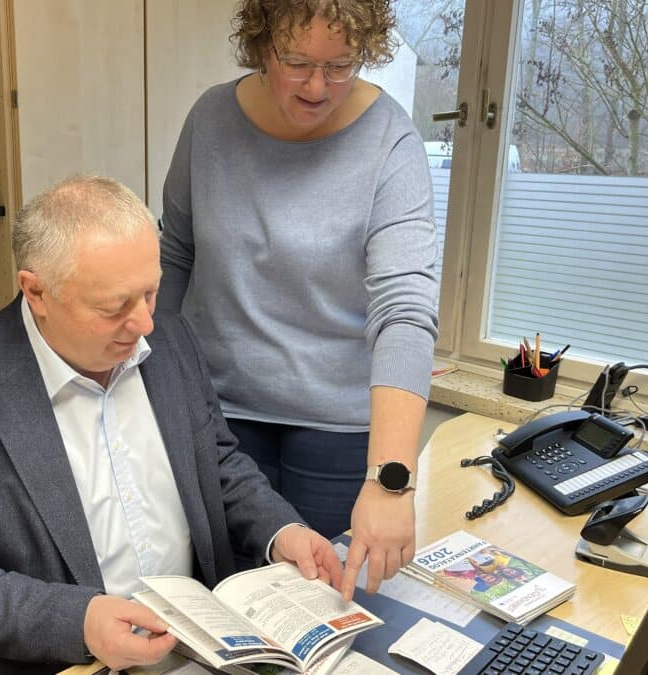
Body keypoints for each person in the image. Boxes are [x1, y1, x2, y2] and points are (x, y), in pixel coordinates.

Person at [0, 175, 344, 675]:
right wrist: (79, 621)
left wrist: (280, 530)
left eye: (150, 293)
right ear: (36, 292)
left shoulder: (168, 338)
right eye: (114, 307)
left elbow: (216, 460)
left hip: (203, 641)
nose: (145, 323)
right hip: (73, 661)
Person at [157, 0, 440, 604]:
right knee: (230, 600)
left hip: (336, 427)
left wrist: (391, 484)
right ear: (261, 46)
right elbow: (176, 254)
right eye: (296, 62)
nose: (318, 86)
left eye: (341, 65)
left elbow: (405, 311)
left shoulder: (391, 141)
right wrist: (148, 380)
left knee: (327, 602)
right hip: (219, 410)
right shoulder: (210, 119)